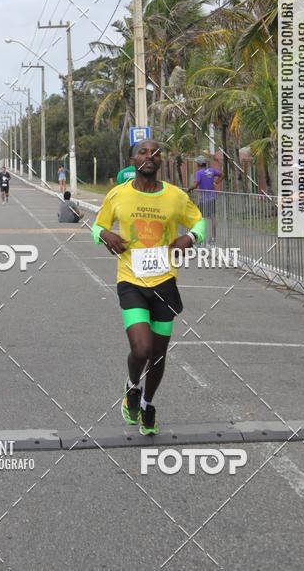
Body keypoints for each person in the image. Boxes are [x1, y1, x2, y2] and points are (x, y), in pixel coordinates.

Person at [92, 138, 206, 436]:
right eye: (142, 152)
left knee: (158, 354)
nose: (149, 156)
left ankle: (147, 403)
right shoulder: (118, 194)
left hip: (164, 283)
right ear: (133, 159)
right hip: (130, 281)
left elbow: (199, 223)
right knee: (141, 348)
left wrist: (190, 238)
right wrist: (105, 236)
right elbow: (97, 226)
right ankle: (132, 386)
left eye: (154, 152)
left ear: (160, 160)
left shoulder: (176, 196)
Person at [187, 156, 223, 243]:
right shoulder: (211, 170)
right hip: (212, 197)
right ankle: (213, 238)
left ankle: (198, 237)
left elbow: (196, 184)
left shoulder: (199, 173)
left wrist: (189, 189)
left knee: (198, 217)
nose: (196, 164)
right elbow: (222, 175)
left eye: (196, 163)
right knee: (212, 217)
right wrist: (216, 182)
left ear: (199, 164)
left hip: (204, 199)